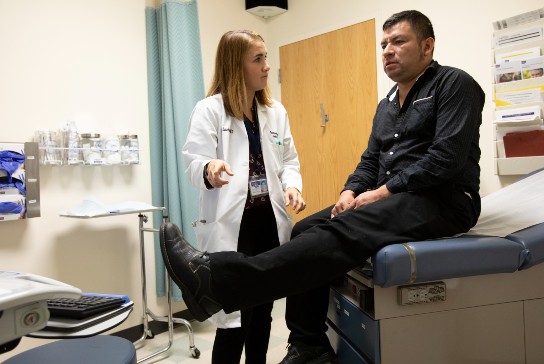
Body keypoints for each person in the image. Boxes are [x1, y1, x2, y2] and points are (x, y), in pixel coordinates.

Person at [160, 10, 485, 364]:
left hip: (443, 199)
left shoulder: (455, 84)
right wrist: (350, 190)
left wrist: (380, 193)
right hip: (392, 200)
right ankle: (308, 342)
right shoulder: (388, 104)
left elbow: (445, 159)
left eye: (399, 41)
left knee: (346, 228)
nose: (388, 50)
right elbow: (370, 161)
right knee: (306, 227)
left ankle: (219, 280)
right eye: (384, 44)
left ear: (427, 46)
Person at [181, 30, 306, 364]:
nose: (267, 66)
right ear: (236, 65)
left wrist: (292, 185)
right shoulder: (209, 110)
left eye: (266, 57)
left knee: (263, 311)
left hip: (268, 220)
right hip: (232, 227)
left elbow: (289, 160)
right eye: (258, 59)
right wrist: (210, 168)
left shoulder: (275, 111)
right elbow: (193, 161)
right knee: (235, 317)